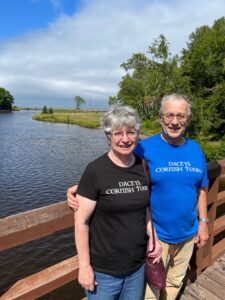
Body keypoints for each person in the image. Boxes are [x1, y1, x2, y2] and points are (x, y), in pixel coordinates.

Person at [68, 93, 209, 300]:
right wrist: (80, 189)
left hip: (183, 235)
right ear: (161, 117)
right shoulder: (145, 148)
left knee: (174, 282)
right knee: (150, 292)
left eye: (181, 116)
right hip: (155, 238)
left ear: (189, 118)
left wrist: (203, 221)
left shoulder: (194, 150)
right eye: (169, 115)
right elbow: (113, 167)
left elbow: (202, 187)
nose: (174, 121)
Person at [73, 106, 162, 300]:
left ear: (137, 135)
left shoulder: (143, 166)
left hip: (136, 267)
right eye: (118, 133)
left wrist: (152, 236)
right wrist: (85, 266)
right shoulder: (95, 170)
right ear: (108, 137)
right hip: (104, 272)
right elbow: (81, 223)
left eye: (130, 132)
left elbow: (144, 208)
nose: (125, 139)